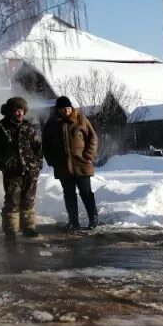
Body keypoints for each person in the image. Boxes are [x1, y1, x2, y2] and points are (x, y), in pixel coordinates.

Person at [0, 96, 43, 241]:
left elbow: (38, 148)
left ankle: (28, 228)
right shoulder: (0, 128)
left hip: (30, 171)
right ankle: (10, 230)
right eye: (17, 110)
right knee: (12, 201)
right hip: (12, 173)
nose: (20, 114)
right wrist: (3, 165)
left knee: (29, 200)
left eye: (22, 110)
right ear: (10, 112)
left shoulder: (29, 127)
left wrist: (37, 165)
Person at [42, 95, 98, 231]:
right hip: (62, 166)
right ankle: (73, 221)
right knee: (69, 194)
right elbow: (46, 144)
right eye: (63, 109)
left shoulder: (81, 119)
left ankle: (93, 219)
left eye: (68, 108)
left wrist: (88, 155)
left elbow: (93, 138)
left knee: (86, 192)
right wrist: (51, 160)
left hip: (82, 164)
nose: (66, 111)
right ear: (58, 110)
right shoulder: (52, 123)